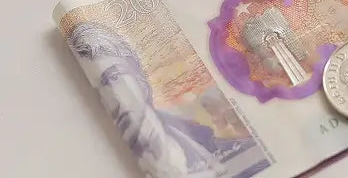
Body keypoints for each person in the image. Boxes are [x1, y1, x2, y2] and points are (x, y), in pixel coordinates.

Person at [67, 21, 256, 178]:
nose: (111, 97)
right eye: (96, 90)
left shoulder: (214, 135)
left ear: (139, 77)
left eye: (113, 78)